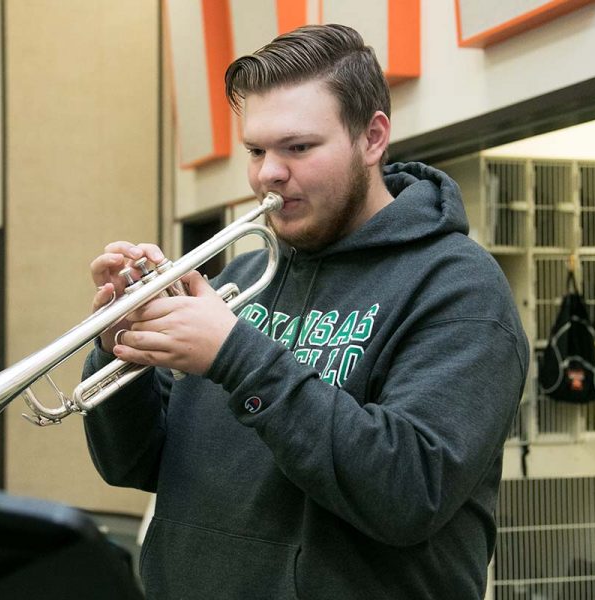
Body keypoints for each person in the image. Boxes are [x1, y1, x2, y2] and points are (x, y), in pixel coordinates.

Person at [83, 24, 529, 599]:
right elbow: (139, 466)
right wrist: (120, 348)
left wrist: (234, 355)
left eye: (297, 148)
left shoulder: (458, 288)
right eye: (256, 150)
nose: (268, 172)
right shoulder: (243, 279)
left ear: (371, 139)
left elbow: (409, 493)